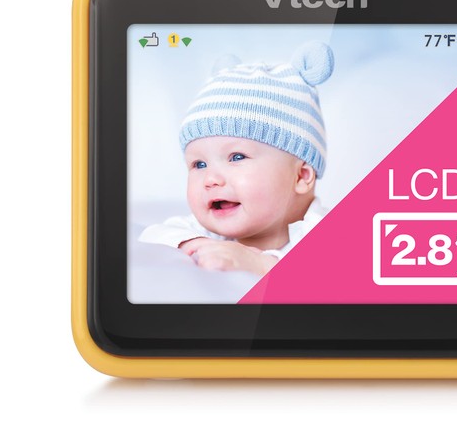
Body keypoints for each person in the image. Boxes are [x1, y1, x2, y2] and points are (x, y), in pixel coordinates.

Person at [139, 41, 334, 277]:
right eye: (199, 164)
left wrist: (262, 265)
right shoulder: (206, 232)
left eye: (236, 157)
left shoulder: (330, 233)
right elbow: (151, 235)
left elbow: (337, 275)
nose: (210, 179)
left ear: (301, 177)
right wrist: (196, 244)